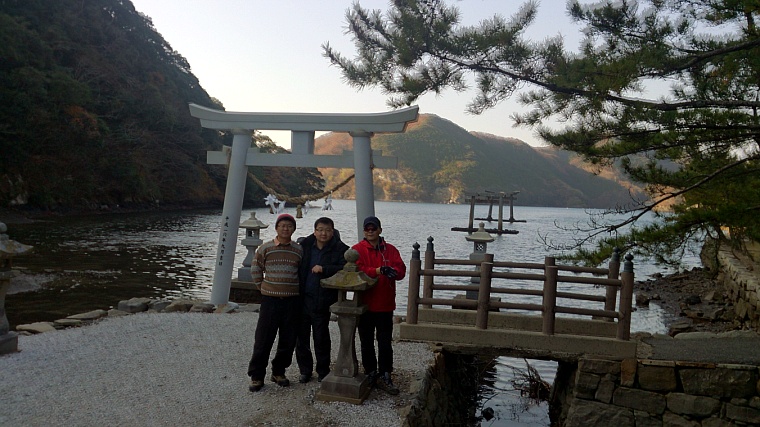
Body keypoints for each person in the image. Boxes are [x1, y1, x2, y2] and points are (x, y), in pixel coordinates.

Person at [246, 213, 303, 392]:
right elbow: (256, 268)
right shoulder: (266, 248)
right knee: (263, 339)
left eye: (289, 226)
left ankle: (279, 372)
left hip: (292, 300)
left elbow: (301, 272)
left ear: (293, 229)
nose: (286, 229)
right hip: (270, 300)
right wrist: (263, 287)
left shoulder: (298, 250)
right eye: (282, 225)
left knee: (288, 339)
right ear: (277, 228)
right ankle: (256, 376)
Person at [352, 216, 406, 395]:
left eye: (373, 228)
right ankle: (370, 372)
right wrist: (377, 270)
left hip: (385, 304)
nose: (370, 231)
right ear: (364, 231)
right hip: (365, 305)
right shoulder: (357, 250)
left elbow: (401, 270)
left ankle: (385, 373)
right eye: (367, 228)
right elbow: (356, 270)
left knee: (385, 342)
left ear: (380, 230)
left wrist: (393, 272)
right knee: (366, 341)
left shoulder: (391, 250)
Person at [295, 217, 349, 383]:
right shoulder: (304, 246)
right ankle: (305, 370)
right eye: (320, 230)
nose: (323, 233)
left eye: (327, 230)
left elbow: (346, 268)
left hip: (323, 298)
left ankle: (323, 370)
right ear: (314, 231)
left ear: (332, 231)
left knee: (321, 337)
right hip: (303, 298)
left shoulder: (340, 249)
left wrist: (325, 269)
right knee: (301, 337)